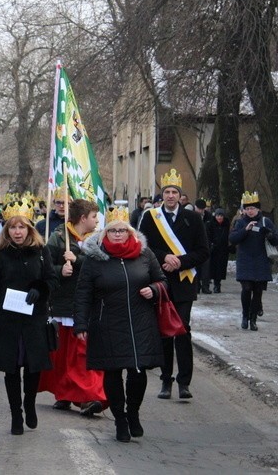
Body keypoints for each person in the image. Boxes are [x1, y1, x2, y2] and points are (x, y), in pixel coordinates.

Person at [73, 207, 166, 442]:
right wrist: (81, 324)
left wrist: (154, 290)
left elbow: (162, 281)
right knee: (113, 373)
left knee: (138, 371)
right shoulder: (94, 259)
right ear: (105, 233)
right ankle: (120, 420)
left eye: (122, 231)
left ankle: (133, 413)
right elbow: (83, 293)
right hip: (107, 323)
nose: (117, 234)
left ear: (130, 233)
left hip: (140, 323)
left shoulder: (145, 255)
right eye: (112, 230)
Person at [0, 200, 58, 436]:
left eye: (22, 227)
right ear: (6, 230)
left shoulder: (42, 252)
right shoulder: (1, 255)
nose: (17, 232)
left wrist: (39, 289)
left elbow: (52, 279)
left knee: (33, 368)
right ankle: (16, 414)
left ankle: (29, 403)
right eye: (12, 227)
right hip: (7, 320)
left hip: (34, 320)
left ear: (30, 229)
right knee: (11, 369)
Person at [138, 169, 209, 401]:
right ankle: (166, 380)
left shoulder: (194, 219)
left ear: (180, 196)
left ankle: (184, 382)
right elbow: (143, 246)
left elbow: (203, 251)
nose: (170, 196)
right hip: (161, 281)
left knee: (183, 330)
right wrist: (164, 257)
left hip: (185, 281)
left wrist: (179, 262)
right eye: (167, 192)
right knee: (165, 332)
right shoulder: (151, 217)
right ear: (162, 195)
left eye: (174, 192)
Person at [39, 199, 106, 416]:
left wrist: (77, 260)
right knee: (63, 353)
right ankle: (65, 392)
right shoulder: (59, 237)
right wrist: (60, 270)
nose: (97, 221)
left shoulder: (98, 240)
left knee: (82, 352)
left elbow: (102, 266)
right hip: (64, 304)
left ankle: (88, 395)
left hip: (88, 304)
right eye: (94, 216)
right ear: (83, 218)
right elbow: (44, 267)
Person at [228, 192, 278, 331]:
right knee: (246, 288)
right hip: (245, 260)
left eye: (253, 208)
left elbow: (275, 240)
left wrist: (269, 234)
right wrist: (246, 230)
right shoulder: (240, 222)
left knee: (257, 291)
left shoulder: (265, 221)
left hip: (261, 260)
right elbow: (233, 239)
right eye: (248, 208)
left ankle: (253, 318)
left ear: (258, 210)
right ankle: (245, 315)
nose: (250, 211)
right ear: (244, 210)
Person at [207, 208, 231, 293]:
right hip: (213, 250)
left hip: (223, 249)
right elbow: (208, 236)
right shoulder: (210, 224)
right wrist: (211, 244)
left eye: (221, 216)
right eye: (218, 216)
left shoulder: (227, 224)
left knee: (220, 268)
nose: (219, 217)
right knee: (212, 267)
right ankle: (209, 283)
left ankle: (217, 284)